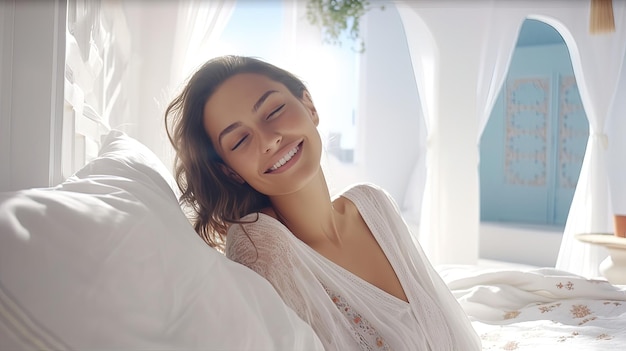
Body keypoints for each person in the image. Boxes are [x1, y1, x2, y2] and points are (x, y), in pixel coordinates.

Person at [165, 55, 481, 350]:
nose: (269, 138)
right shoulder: (259, 244)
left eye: (273, 111)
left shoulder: (374, 204)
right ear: (231, 172)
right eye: (240, 140)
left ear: (310, 106)